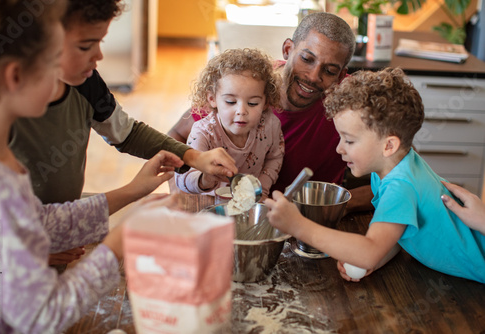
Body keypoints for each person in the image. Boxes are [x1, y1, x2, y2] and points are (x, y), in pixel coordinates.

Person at [0, 1, 182, 332]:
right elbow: (41, 315)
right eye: (52, 60)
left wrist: (133, 194)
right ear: (15, 75)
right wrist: (116, 245)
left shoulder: (0, 157)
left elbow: (37, 222)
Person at [8, 0, 237, 266]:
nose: (98, 56)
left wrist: (193, 157)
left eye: (100, 42)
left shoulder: (86, 83)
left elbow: (127, 132)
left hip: (61, 231)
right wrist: (27, 251)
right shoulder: (1, 115)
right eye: (85, 46)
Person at [265, 68, 485, 283]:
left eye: (349, 140)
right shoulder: (397, 165)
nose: (339, 149)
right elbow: (398, 232)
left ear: (388, 145)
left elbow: (369, 250)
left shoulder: (400, 186)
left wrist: (298, 226)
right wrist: (377, 259)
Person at [168, 13, 373, 211]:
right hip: (231, 212)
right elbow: (174, 137)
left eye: (329, 71)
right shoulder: (246, 85)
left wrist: (337, 208)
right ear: (287, 49)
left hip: (310, 220)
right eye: (306, 59)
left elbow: (398, 165)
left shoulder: (354, 100)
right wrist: (180, 195)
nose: (313, 76)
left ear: (341, 75)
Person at [175, 48, 284, 199]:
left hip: (250, 202)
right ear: (212, 99)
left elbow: (275, 157)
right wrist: (204, 180)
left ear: (266, 102)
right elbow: (182, 179)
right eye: (231, 102)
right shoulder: (203, 132)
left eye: (252, 103)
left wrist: (261, 188)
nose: (241, 111)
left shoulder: (270, 125)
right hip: (209, 201)